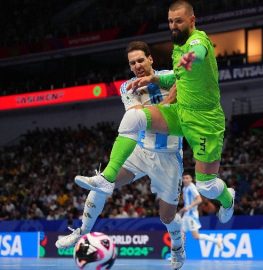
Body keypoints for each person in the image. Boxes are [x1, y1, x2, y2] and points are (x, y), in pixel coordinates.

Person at [75, 0, 235, 227]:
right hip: (180, 114)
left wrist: (189, 58)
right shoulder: (178, 46)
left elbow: (197, 52)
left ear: (192, 20)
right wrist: (155, 78)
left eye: (179, 21)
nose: (174, 26)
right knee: (134, 117)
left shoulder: (198, 40)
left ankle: (228, 199)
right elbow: (177, 77)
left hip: (204, 122)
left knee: (206, 187)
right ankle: (107, 178)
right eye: (170, 21)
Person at [56, 41, 185, 269]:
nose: (136, 66)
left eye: (140, 60)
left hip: (169, 157)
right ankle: (81, 231)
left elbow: (180, 111)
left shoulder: (172, 76)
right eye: (132, 63)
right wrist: (169, 101)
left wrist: (168, 103)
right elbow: (138, 118)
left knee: (166, 217)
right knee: (103, 181)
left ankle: (177, 246)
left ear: (150, 59)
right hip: (141, 150)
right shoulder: (128, 87)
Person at [180, 173, 223, 250]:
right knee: (180, 233)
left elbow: (199, 199)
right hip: (186, 215)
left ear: (191, 179)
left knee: (196, 236)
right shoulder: (184, 189)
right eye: (184, 178)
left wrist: (188, 207)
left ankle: (216, 240)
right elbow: (188, 202)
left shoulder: (192, 188)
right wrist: (183, 209)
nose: (185, 179)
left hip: (191, 215)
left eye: (187, 178)